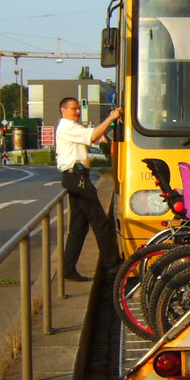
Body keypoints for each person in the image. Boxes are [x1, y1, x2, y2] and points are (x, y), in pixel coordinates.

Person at [55, 97, 122, 282]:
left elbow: (95, 136)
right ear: (63, 110)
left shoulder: (71, 127)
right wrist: (112, 117)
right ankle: (114, 265)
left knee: (78, 227)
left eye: (78, 109)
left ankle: (68, 268)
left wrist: (109, 124)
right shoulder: (68, 127)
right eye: (73, 108)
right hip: (77, 178)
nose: (77, 112)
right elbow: (92, 136)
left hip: (75, 177)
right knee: (100, 222)